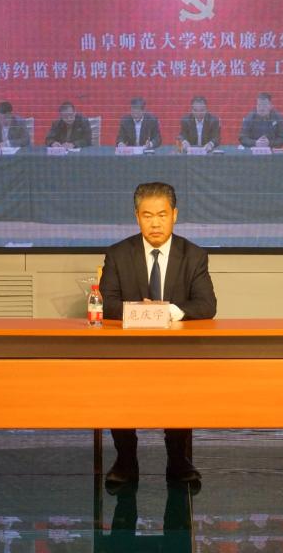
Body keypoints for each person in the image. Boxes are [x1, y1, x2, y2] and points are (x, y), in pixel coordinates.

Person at [99, 182, 218, 485]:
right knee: (117, 383)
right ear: (136, 217)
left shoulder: (193, 255)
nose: (155, 223)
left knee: (181, 386)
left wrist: (166, 311)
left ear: (174, 215)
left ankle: (178, 460)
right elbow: (107, 303)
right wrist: (142, 311)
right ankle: (126, 460)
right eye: (147, 215)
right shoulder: (117, 254)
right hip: (128, 350)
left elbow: (206, 305)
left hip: (176, 350)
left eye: (162, 215)